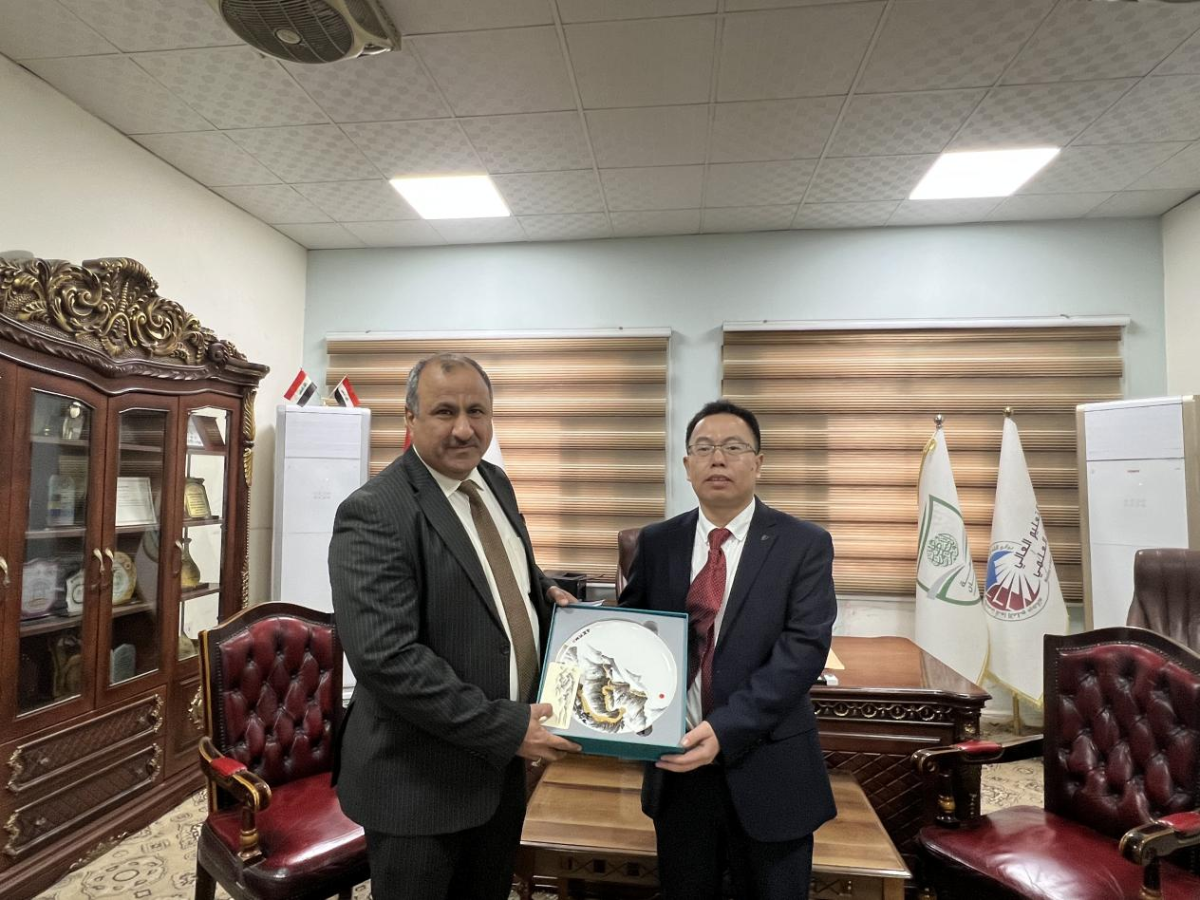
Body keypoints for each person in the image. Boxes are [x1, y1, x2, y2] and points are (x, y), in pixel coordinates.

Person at [328, 352, 580, 900]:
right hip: (420, 785)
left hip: (498, 772)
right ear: (410, 418)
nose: (464, 429)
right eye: (445, 412)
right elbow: (386, 658)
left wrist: (544, 591)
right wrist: (506, 728)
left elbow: (501, 563)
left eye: (477, 411)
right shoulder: (374, 511)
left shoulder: (493, 481)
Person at [620, 399, 837, 900]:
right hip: (678, 768)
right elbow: (635, 635)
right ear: (686, 465)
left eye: (733, 447)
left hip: (769, 766)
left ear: (758, 462)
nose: (717, 458)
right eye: (704, 448)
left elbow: (803, 651)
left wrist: (725, 729)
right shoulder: (657, 543)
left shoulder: (803, 544)